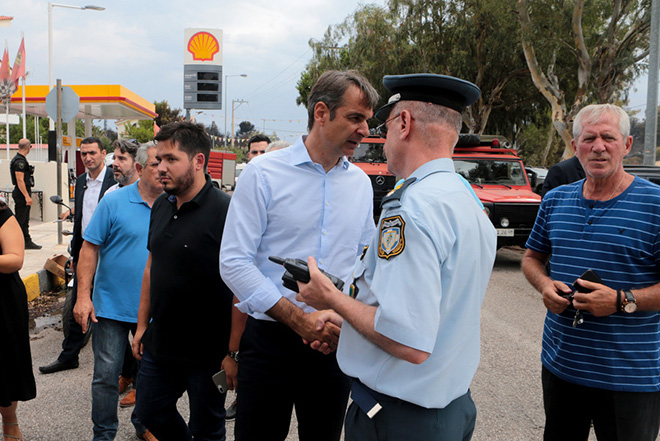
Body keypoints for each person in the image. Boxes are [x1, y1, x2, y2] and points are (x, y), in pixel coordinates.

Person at [296, 73, 497, 441]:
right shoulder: (466, 199)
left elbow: (408, 340)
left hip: (399, 421)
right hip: (448, 410)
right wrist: (353, 327)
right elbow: (432, 312)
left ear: (404, 123)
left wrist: (331, 299)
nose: (380, 138)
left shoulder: (411, 210)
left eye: (385, 126)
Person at [220, 69, 379, 441]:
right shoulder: (262, 174)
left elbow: (364, 261)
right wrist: (298, 320)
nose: (365, 131)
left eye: (367, 121)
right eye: (355, 118)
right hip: (270, 340)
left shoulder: (359, 183)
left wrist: (344, 315)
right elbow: (233, 261)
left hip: (334, 343)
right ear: (321, 113)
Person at [522, 104, 660, 441]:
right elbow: (530, 258)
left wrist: (621, 300)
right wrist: (544, 285)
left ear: (626, 145)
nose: (598, 146)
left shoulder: (656, 204)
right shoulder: (555, 200)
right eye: (589, 138)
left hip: (631, 378)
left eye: (608, 138)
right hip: (562, 368)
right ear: (575, 145)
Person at [132, 121, 233, 441]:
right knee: (149, 411)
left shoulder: (226, 211)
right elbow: (152, 265)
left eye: (171, 159)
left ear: (198, 161)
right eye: (158, 159)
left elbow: (239, 285)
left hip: (209, 352)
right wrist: (141, 325)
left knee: (208, 427)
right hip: (160, 344)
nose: (160, 167)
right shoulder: (161, 204)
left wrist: (233, 351)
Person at [73, 143, 161, 441]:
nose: (162, 169)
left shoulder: (173, 206)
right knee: (106, 377)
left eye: (165, 162)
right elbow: (89, 247)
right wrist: (83, 296)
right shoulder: (113, 202)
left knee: (149, 377)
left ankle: (144, 423)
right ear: (139, 169)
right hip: (110, 307)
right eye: (154, 164)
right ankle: (104, 433)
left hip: (152, 310)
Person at [39, 137, 115, 374]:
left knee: (113, 306)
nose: (88, 158)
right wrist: (75, 251)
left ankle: (128, 368)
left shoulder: (114, 181)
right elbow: (81, 219)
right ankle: (69, 355)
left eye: (92, 153)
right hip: (86, 251)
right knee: (77, 302)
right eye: (83, 154)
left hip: (111, 252)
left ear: (103, 154)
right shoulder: (81, 181)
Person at [103, 139, 142, 407]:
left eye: (122, 159)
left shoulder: (159, 198)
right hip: (113, 291)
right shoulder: (110, 196)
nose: (115, 163)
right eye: (114, 158)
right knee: (114, 351)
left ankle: (140, 389)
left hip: (144, 291)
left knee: (141, 343)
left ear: (137, 165)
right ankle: (126, 376)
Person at [0, 195, 37, 441]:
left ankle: (10, 423)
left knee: (5, 364)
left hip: (2, 301)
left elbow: (15, 258)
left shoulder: (2, 214)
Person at [10, 138, 40, 250]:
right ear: (28, 148)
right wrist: (27, 196)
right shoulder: (20, 162)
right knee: (21, 219)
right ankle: (20, 242)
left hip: (21, 192)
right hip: (21, 193)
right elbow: (20, 180)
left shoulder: (20, 159)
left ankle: (26, 241)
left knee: (24, 219)